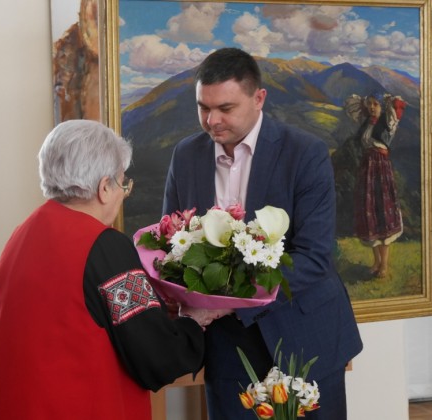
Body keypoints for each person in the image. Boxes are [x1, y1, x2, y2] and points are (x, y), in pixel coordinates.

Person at [162, 48, 363, 420]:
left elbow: (314, 257)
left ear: (259, 99)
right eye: (203, 108)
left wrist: (226, 301)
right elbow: (172, 243)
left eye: (225, 108)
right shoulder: (185, 155)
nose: (212, 120)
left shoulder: (306, 153)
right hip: (226, 346)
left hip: (304, 332)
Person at [0, 120, 220, 420]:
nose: (122, 193)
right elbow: (156, 356)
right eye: (122, 183)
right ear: (104, 187)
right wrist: (193, 321)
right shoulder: (105, 247)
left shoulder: (20, 235)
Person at [345, 92, 406, 278]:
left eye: (376, 104)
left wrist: (389, 104)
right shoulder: (367, 123)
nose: (372, 107)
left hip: (380, 170)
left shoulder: (387, 123)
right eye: (370, 104)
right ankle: (376, 262)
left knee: (382, 213)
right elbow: (361, 142)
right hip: (367, 170)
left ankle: (384, 265)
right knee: (369, 211)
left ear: (382, 106)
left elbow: (394, 109)